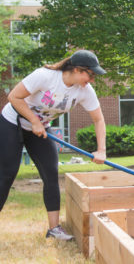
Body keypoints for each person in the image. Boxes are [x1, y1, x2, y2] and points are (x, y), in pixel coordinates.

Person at [0, 50, 107, 240]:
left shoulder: (84, 91)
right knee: (7, 174)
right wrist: (33, 120)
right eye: (90, 75)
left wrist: (101, 150)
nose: (91, 80)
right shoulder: (45, 76)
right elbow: (14, 97)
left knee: (51, 172)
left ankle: (54, 229)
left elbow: (98, 119)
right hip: (12, 122)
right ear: (76, 69)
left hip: (40, 128)